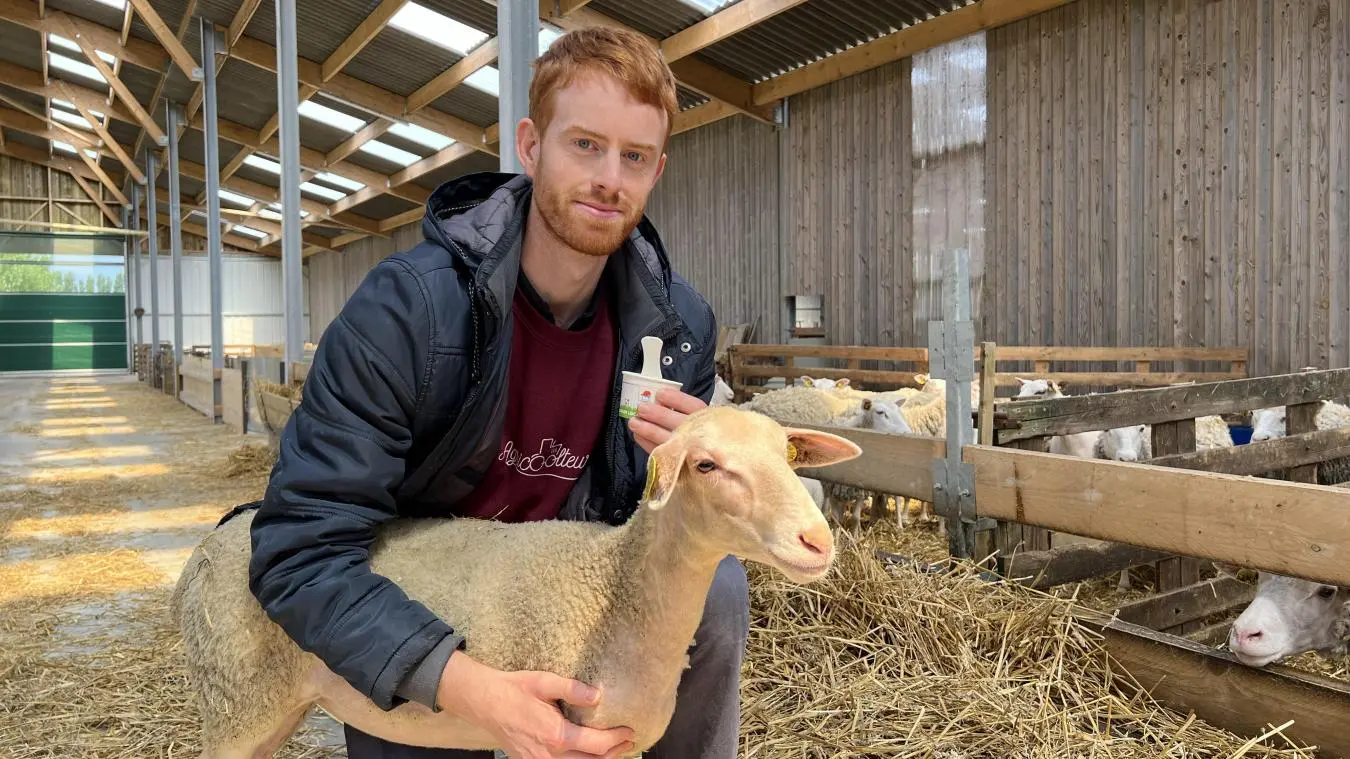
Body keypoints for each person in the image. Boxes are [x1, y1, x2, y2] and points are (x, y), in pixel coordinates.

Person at [245, 24, 748, 759]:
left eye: (633, 156)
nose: (610, 177)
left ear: (656, 169)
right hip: (438, 613)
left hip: (573, 608)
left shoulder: (679, 327)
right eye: (585, 144)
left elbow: (656, 534)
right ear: (530, 145)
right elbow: (297, 548)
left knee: (721, 586)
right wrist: (465, 685)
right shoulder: (407, 311)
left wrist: (696, 468)